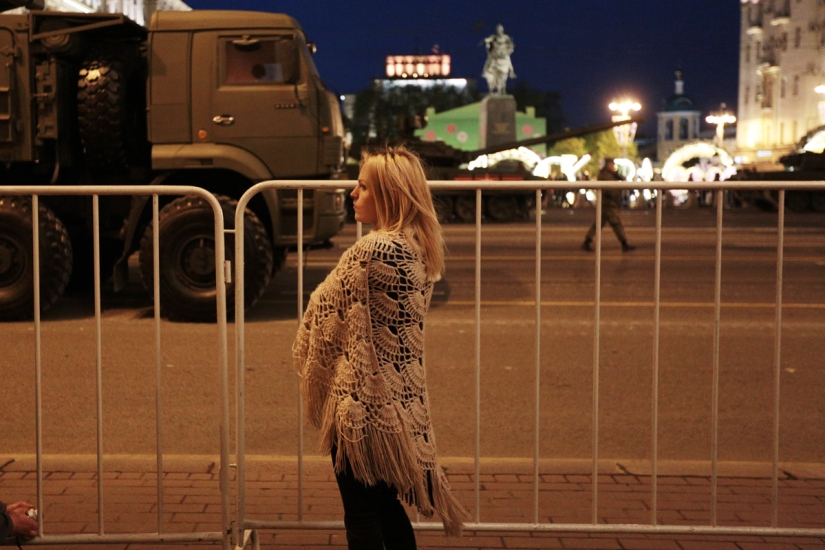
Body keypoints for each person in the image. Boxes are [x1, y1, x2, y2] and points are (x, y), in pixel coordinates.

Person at [294, 145, 469, 549]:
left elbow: (324, 310)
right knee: (384, 507)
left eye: (363, 186)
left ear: (390, 195)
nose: (353, 193)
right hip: (394, 405)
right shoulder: (415, 245)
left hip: (362, 406)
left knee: (362, 513)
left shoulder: (375, 250)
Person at [581, 158, 636, 252]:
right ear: (608, 165)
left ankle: (587, 241)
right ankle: (624, 243)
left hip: (607, 203)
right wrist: (617, 192)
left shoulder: (609, 175)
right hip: (608, 204)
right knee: (616, 223)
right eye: (612, 165)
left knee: (598, 224)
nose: (613, 167)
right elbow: (610, 189)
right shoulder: (605, 176)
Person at [481, 24, 515, 95]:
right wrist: (485, 42)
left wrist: (507, 52)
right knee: (494, 75)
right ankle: (494, 90)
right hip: (495, 59)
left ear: (502, 30)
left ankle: (503, 89)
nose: (499, 31)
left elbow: (511, 46)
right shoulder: (494, 37)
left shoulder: (506, 38)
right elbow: (486, 41)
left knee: (504, 76)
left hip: (504, 58)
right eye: (498, 30)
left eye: (500, 29)